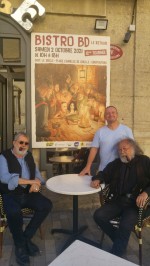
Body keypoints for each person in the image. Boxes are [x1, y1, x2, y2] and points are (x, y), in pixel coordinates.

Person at [91, 138, 150, 257]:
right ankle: (120, 241)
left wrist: (146, 193)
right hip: (117, 201)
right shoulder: (116, 164)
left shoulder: (144, 161)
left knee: (125, 225)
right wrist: (97, 178)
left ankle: (116, 254)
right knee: (98, 215)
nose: (122, 152)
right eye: (120, 150)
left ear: (133, 148)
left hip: (136, 204)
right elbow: (104, 173)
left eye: (125, 149)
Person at [0, 132, 52, 266]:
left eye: (26, 143)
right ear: (14, 142)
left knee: (46, 205)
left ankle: (25, 238)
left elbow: (36, 174)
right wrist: (30, 182)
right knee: (13, 213)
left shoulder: (29, 156)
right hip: (10, 194)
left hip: (28, 194)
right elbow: (4, 177)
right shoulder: (4, 156)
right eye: (20, 142)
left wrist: (38, 183)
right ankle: (20, 246)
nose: (23, 145)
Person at [79, 106, 134, 175]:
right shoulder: (100, 132)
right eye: (108, 113)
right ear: (105, 117)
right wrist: (88, 166)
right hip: (104, 171)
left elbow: (132, 149)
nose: (111, 115)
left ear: (117, 115)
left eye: (113, 112)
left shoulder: (127, 130)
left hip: (122, 170)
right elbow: (94, 149)